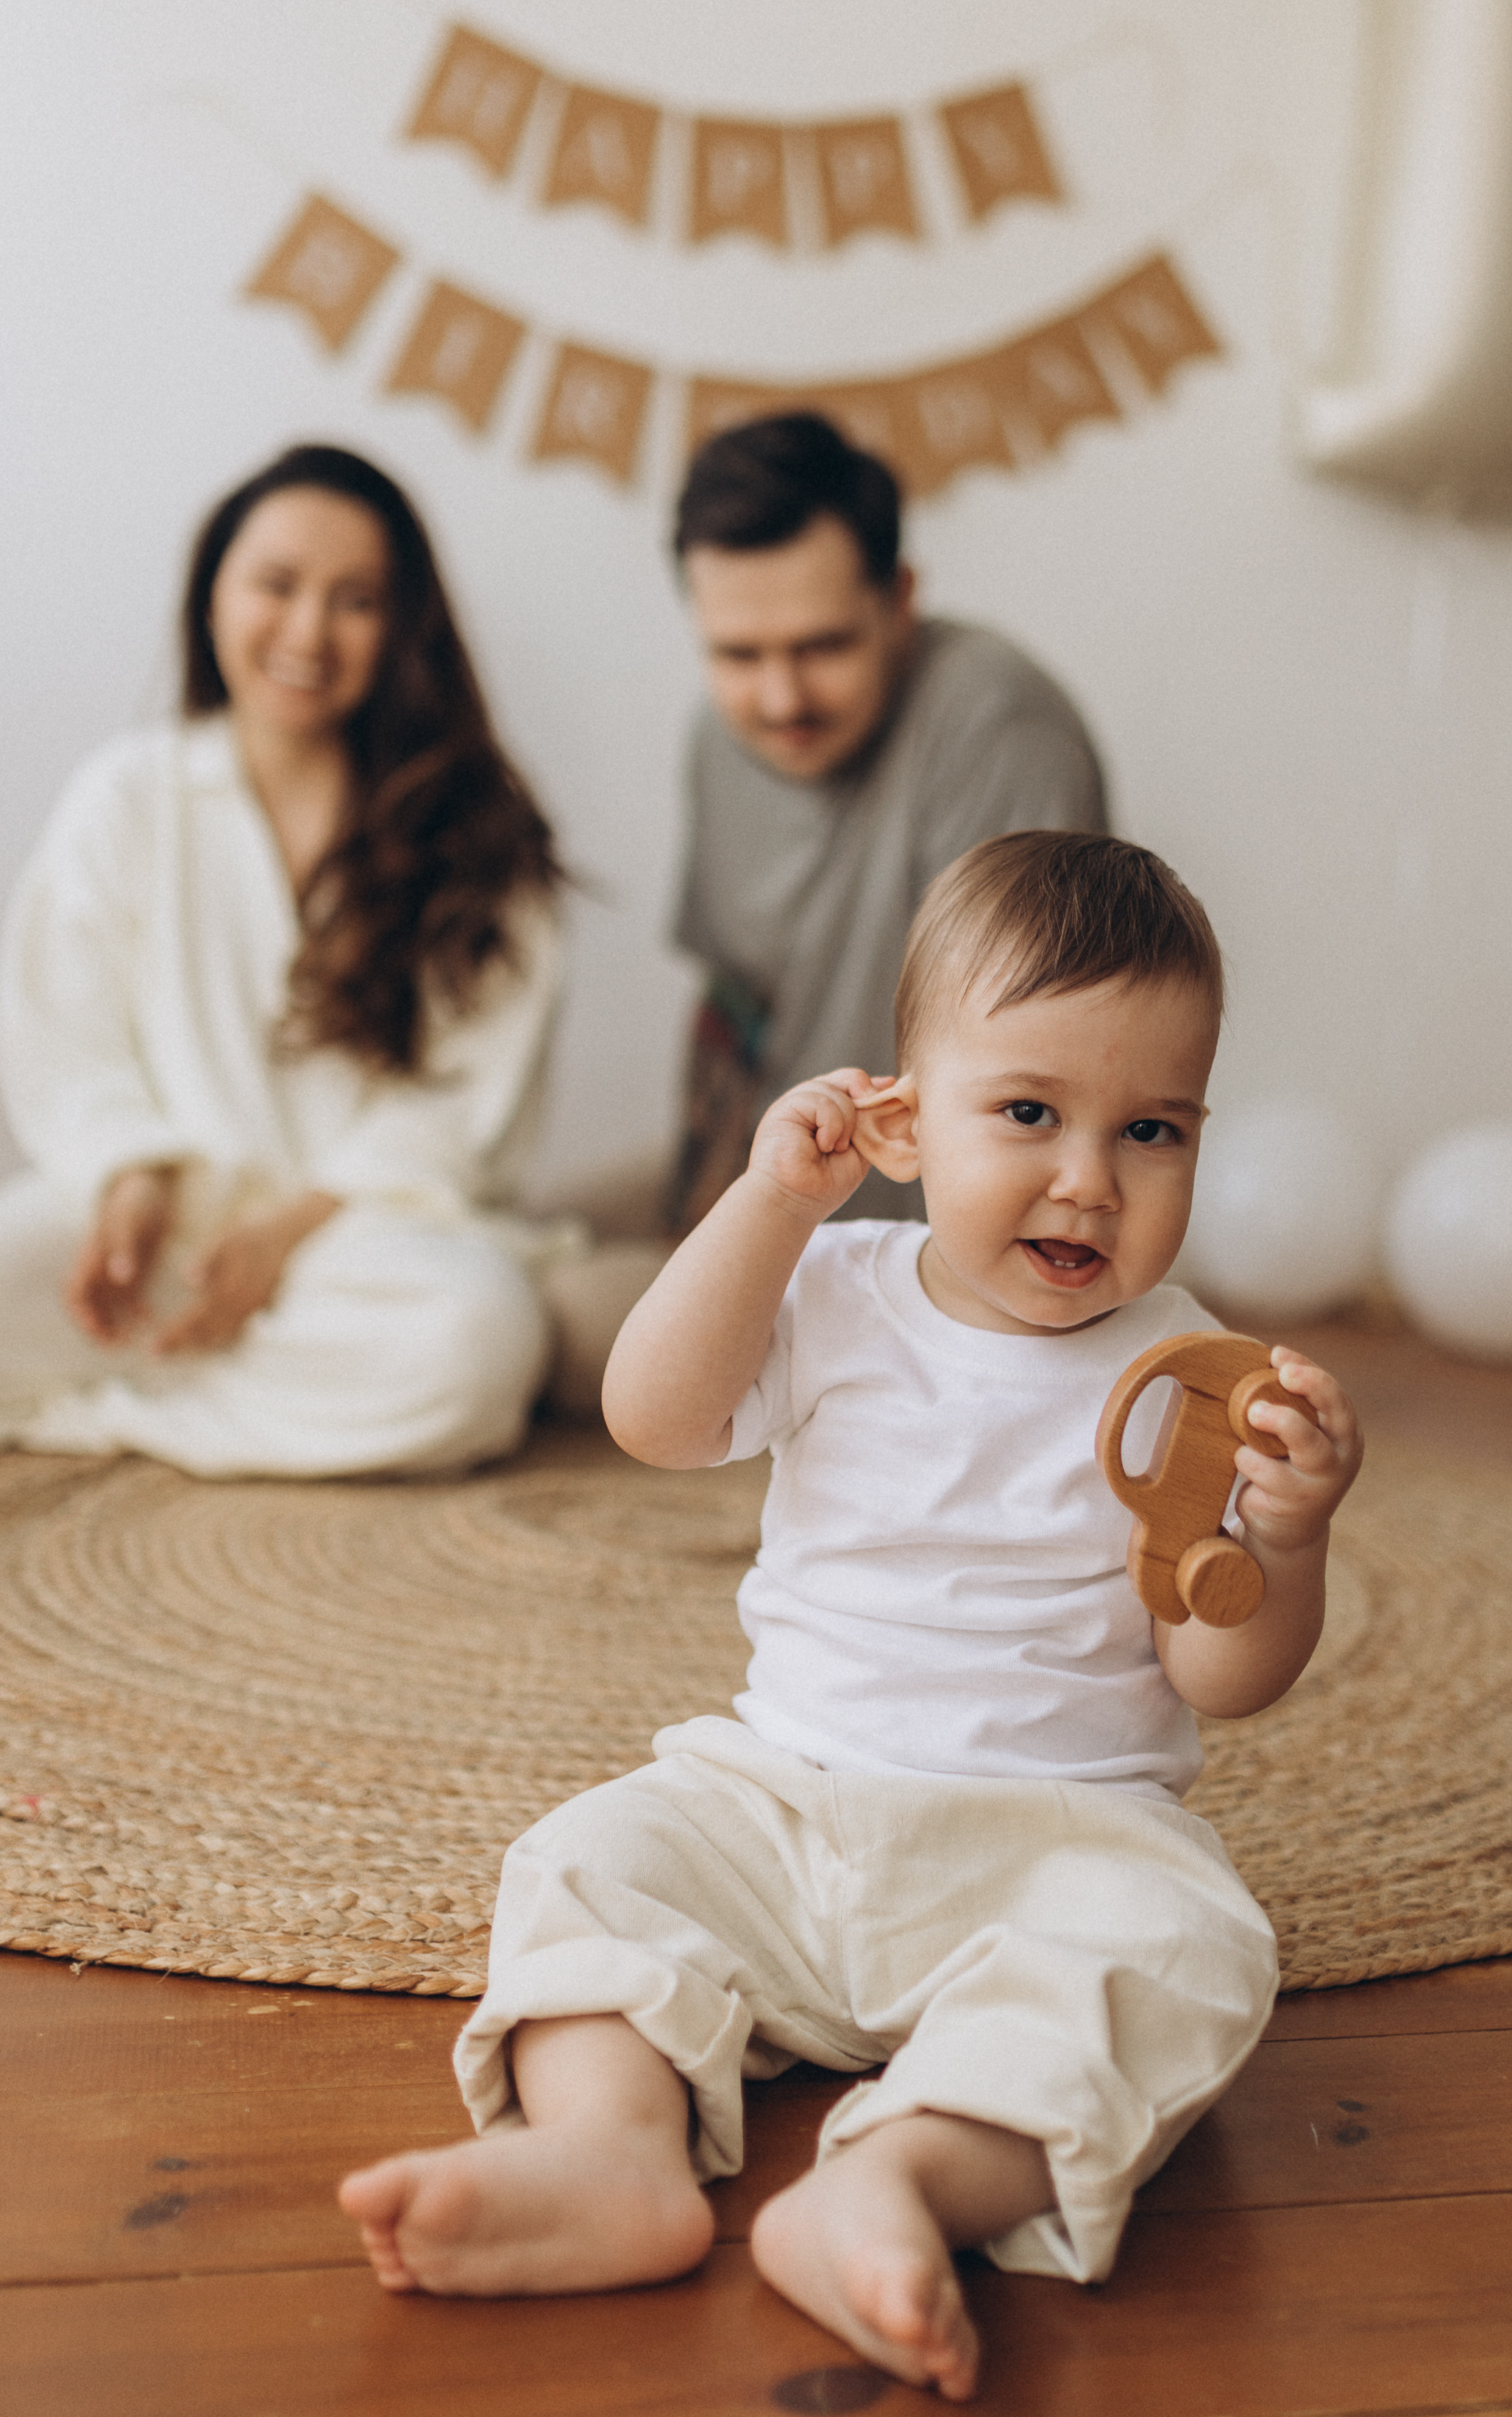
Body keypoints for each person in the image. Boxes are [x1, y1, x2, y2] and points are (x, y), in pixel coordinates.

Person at [339, 829, 1364, 2401]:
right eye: (1028, 1111)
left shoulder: (1188, 1369)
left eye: (1150, 1128)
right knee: (594, 1861)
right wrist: (767, 1205)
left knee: (1190, 1949)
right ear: (903, 1115)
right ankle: (612, 2151)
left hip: (1062, 1840)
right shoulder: (835, 1289)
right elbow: (654, 1418)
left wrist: (1283, 1546)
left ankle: (899, 2183)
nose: (1088, 1177)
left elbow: (1219, 1672)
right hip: (785, 1806)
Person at [0, 443, 570, 1478]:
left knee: (477, 1344)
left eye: (355, 600)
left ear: (403, 627)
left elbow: (460, 1117)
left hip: (359, 1248)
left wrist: (281, 1240)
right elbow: (58, 1034)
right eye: (276, 585)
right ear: (212, 594)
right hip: (156, 1232)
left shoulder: (479, 833)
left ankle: (113, 1413)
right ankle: (220, 1391)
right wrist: (129, 1176)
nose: (307, 630)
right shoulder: (130, 793)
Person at [606, 409, 1109, 1239]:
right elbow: (733, 1012)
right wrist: (693, 1240)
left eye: (823, 646)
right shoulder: (716, 733)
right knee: (506, 1244)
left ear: (900, 600)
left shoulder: (1001, 728)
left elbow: (1039, 1071)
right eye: (737, 655)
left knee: (561, 1320)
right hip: (778, 1181)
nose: (781, 700)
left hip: (921, 1243)